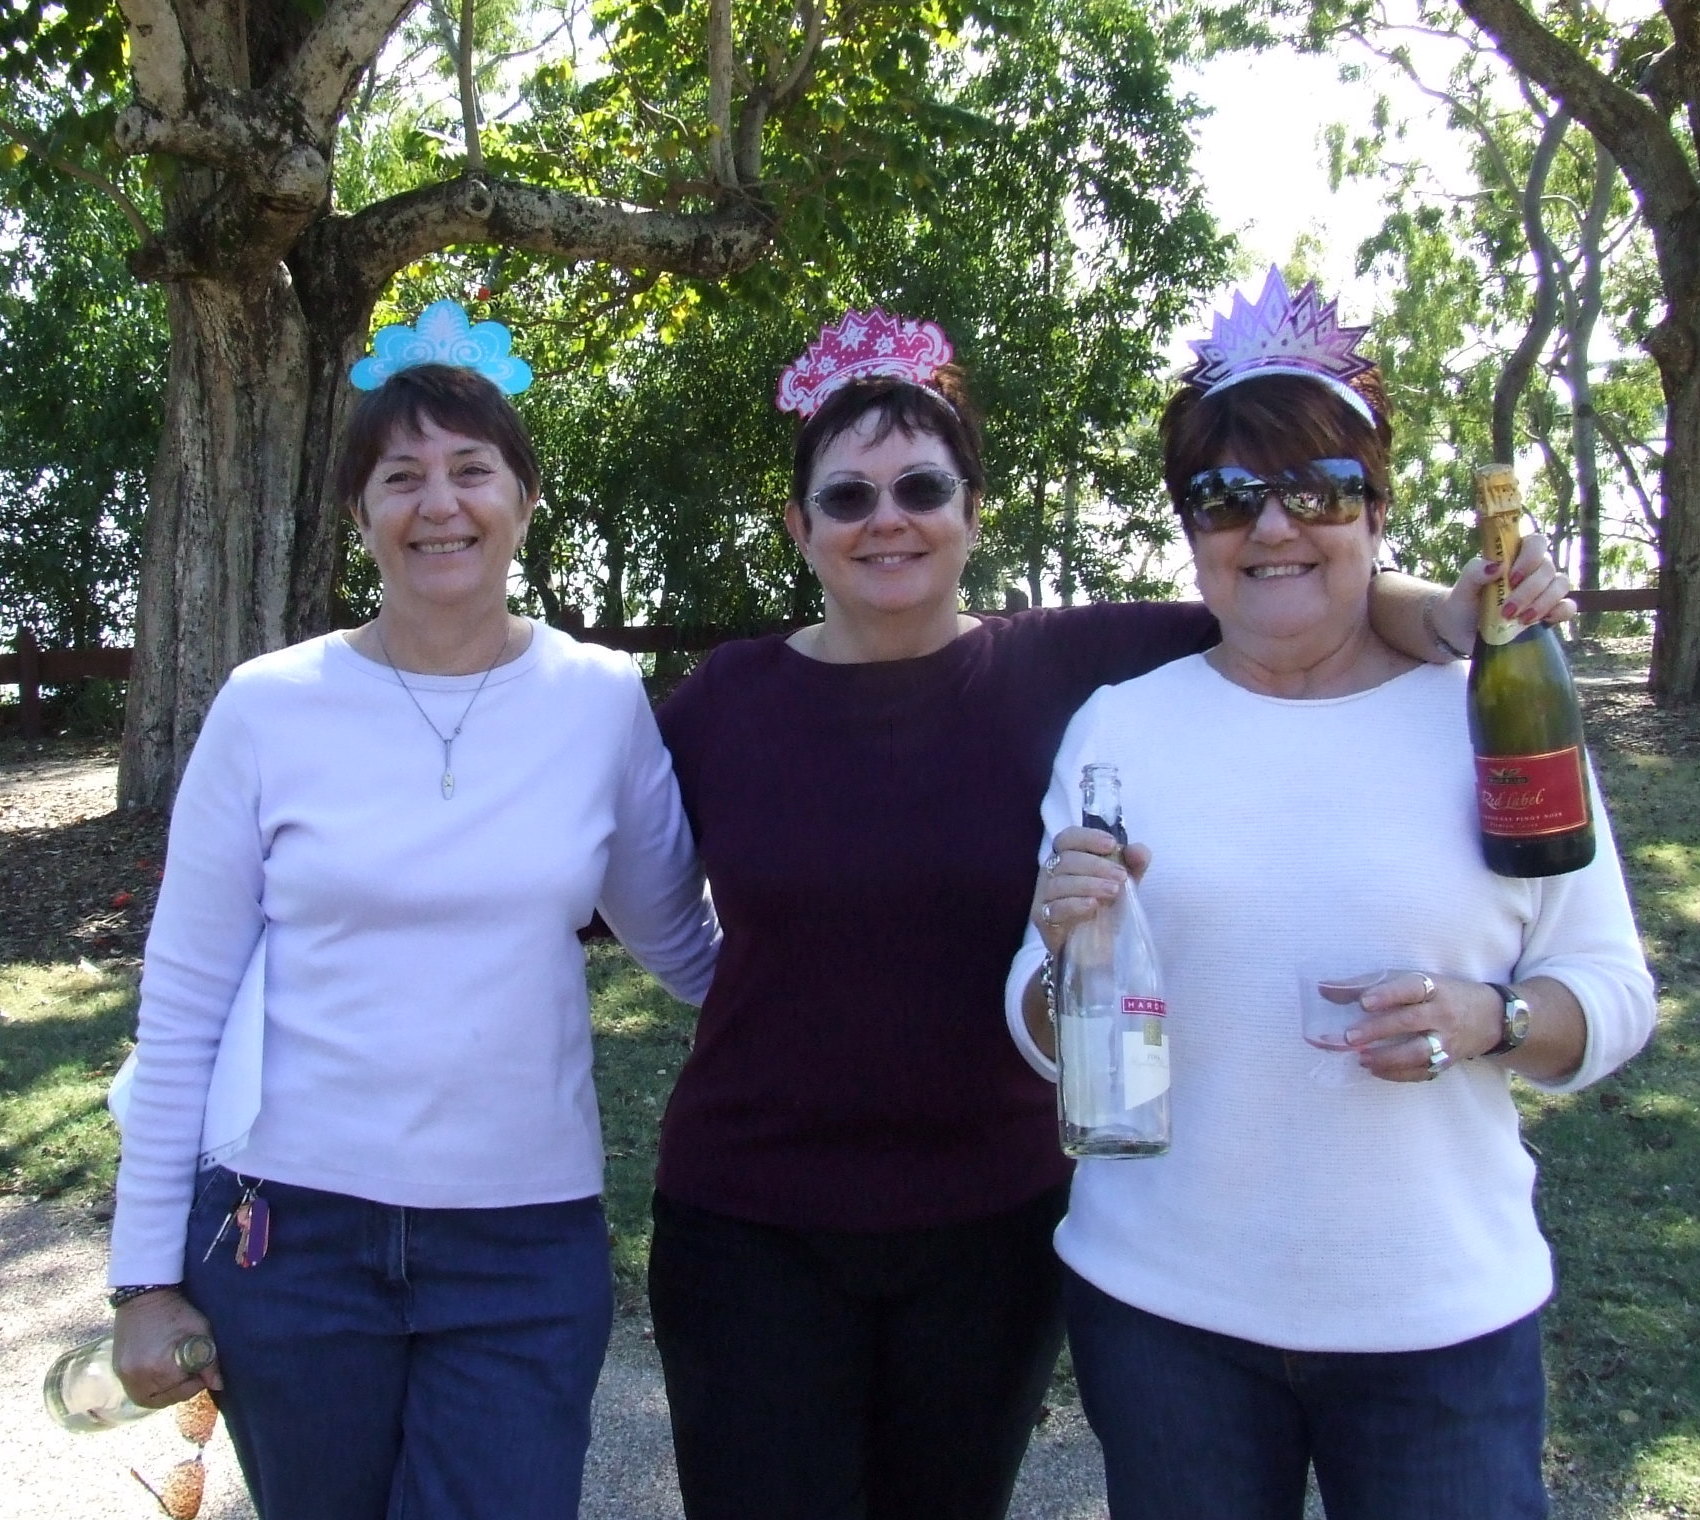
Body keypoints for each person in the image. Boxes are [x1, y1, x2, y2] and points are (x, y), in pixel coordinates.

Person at [645, 306, 1576, 1520]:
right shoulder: (727, 697)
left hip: (989, 1218)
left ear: (974, 510)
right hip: (747, 1218)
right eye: (847, 496)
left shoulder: (1083, 669)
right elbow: (619, 889)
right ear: (797, 525)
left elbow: (1287, 584)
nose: (887, 519)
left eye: (921, 484)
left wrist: (1450, 618)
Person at [1007, 268, 1657, 1520]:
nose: (1271, 528)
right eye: (1224, 496)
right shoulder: (1121, 727)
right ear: (1189, 530)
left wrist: (1492, 1019)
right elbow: (1040, 1035)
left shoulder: (1494, 711)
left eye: (1317, 489)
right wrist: (1056, 951)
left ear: (1375, 512)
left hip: (1437, 1325)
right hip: (1163, 1313)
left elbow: (1611, 993)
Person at [105, 304, 719, 1520]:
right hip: (290, 1240)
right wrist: (142, 1280)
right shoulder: (268, 706)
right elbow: (182, 1003)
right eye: (401, 476)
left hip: (523, 1248)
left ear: (522, 497)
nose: (439, 503)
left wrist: (872, 993)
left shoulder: (597, 700)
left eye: (471, 469)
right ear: (360, 513)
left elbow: (688, 945)